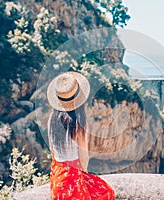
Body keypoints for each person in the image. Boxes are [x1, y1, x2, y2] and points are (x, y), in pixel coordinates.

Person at [47, 71, 115, 200]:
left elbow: (52, 150)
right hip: (73, 177)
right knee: (106, 192)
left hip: (57, 175)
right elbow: (83, 158)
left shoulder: (52, 118)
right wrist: (84, 176)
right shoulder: (78, 122)